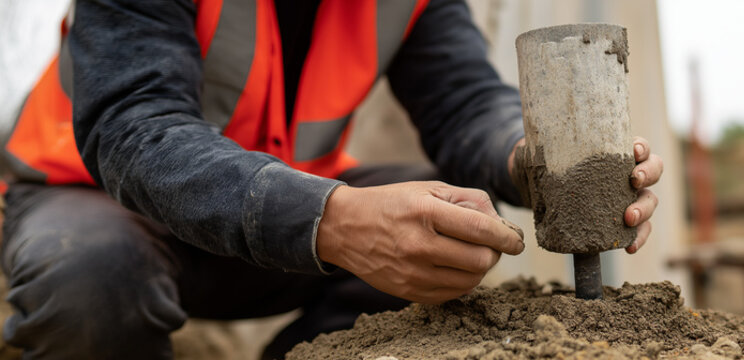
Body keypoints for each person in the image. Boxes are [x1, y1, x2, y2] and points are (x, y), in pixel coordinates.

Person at [0, 0, 663, 359]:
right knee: (88, 278)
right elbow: (135, 129)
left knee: (452, 224)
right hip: (97, 198)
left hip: (284, 216)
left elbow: (462, 104)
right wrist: (332, 218)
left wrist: (534, 159)